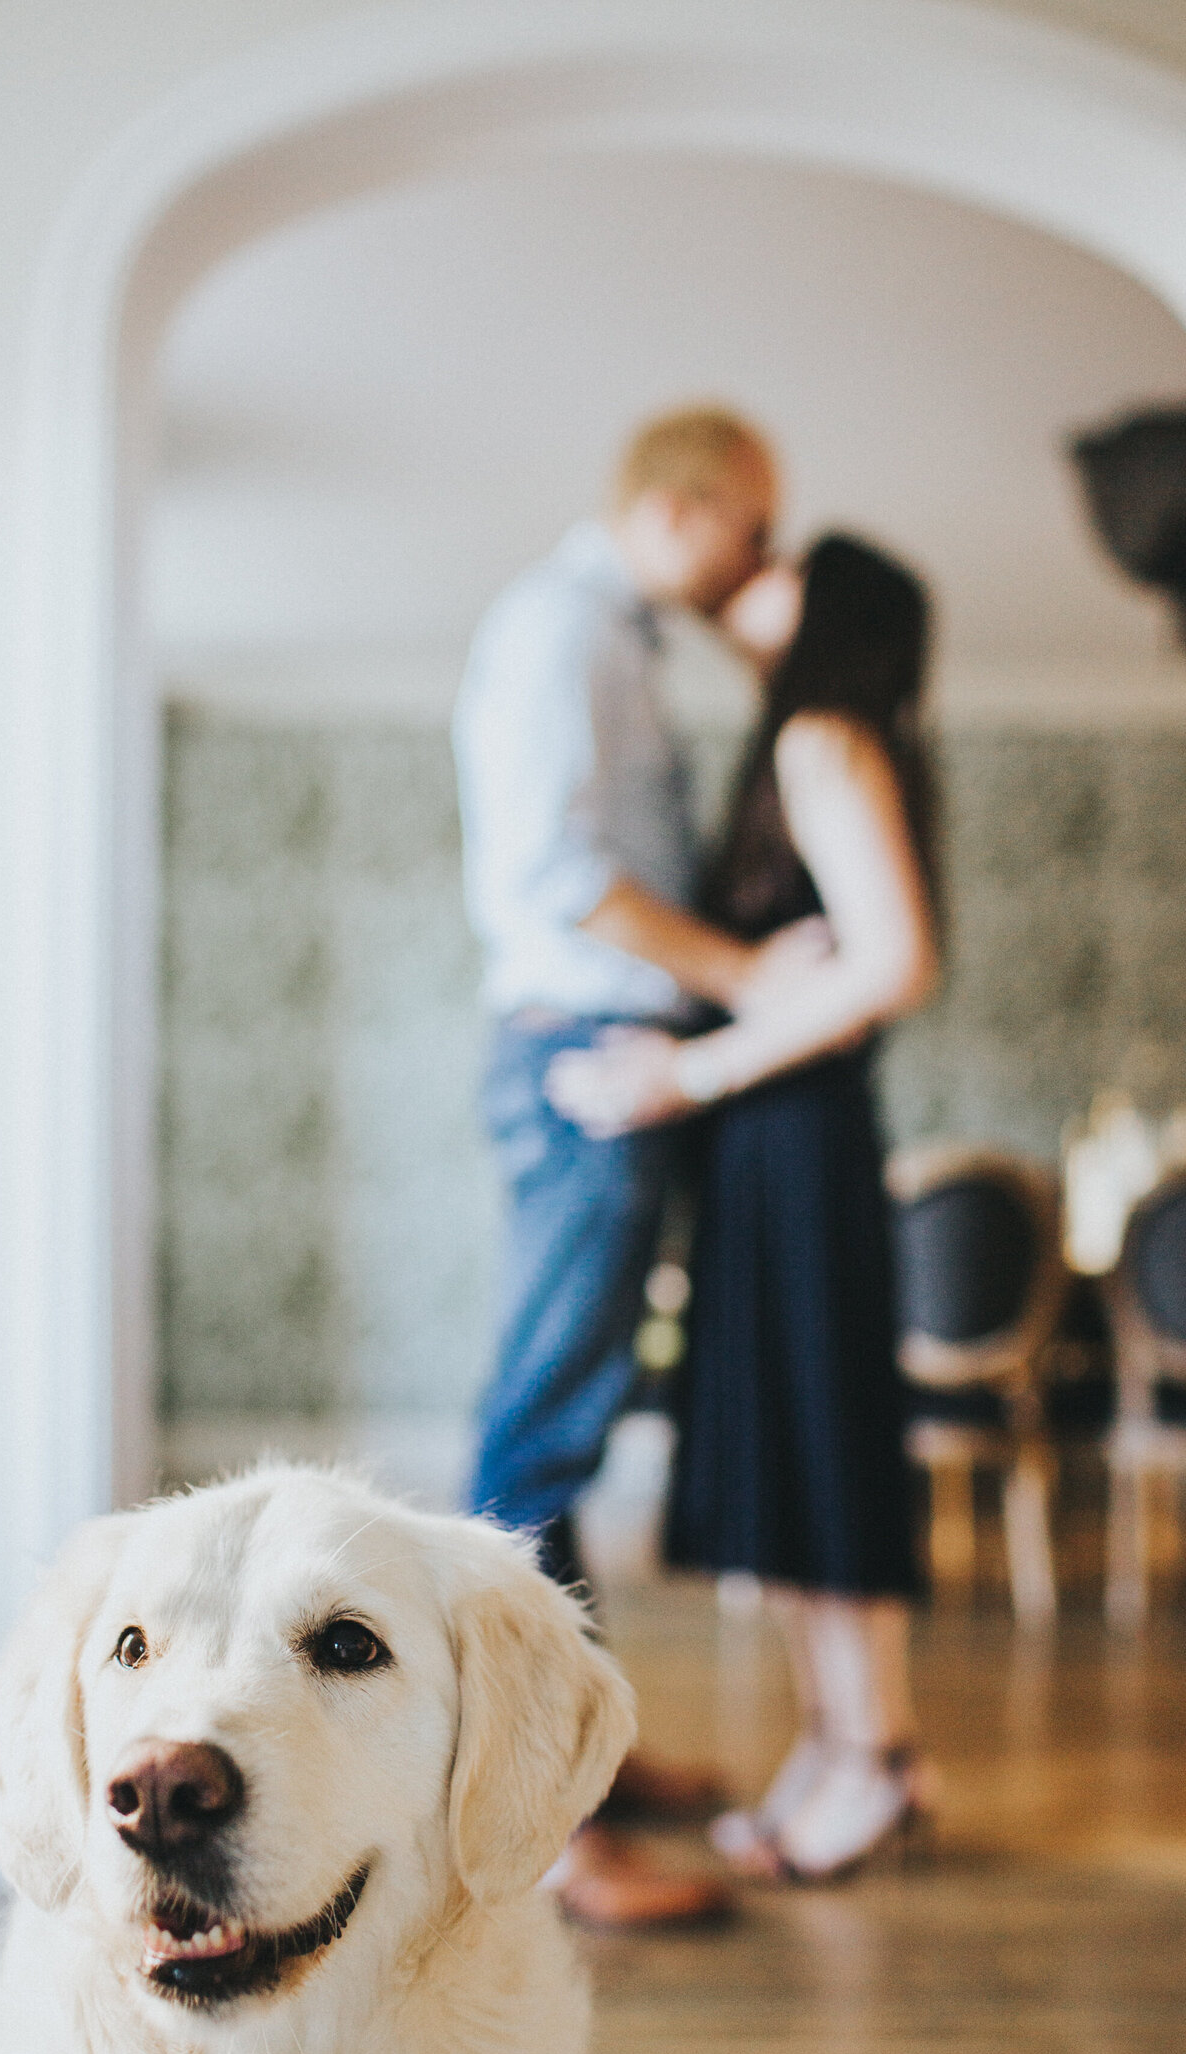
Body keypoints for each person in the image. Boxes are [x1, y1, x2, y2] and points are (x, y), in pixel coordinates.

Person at [454, 407, 822, 1926]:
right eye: (750, 529)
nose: (760, 558)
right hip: (583, 1060)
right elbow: (558, 870)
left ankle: (577, 1769)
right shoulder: (560, 632)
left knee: (573, 1423)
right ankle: (537, 1835)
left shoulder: (614, 638)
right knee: (540, 1432)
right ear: (685, 511)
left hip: (604, 1060)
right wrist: (744, 972)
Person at [546, 533, 940, 1879]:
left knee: (824, 1455)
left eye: (778, 564)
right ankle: (848, 1749)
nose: (743, 584)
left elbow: (896, 962)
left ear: (828, 605)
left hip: (798, 1144)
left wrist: (688, 1071)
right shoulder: (821, 738)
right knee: (795, 1455)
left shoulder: (825, 737)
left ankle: (874, 1756)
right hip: (777, 1149)